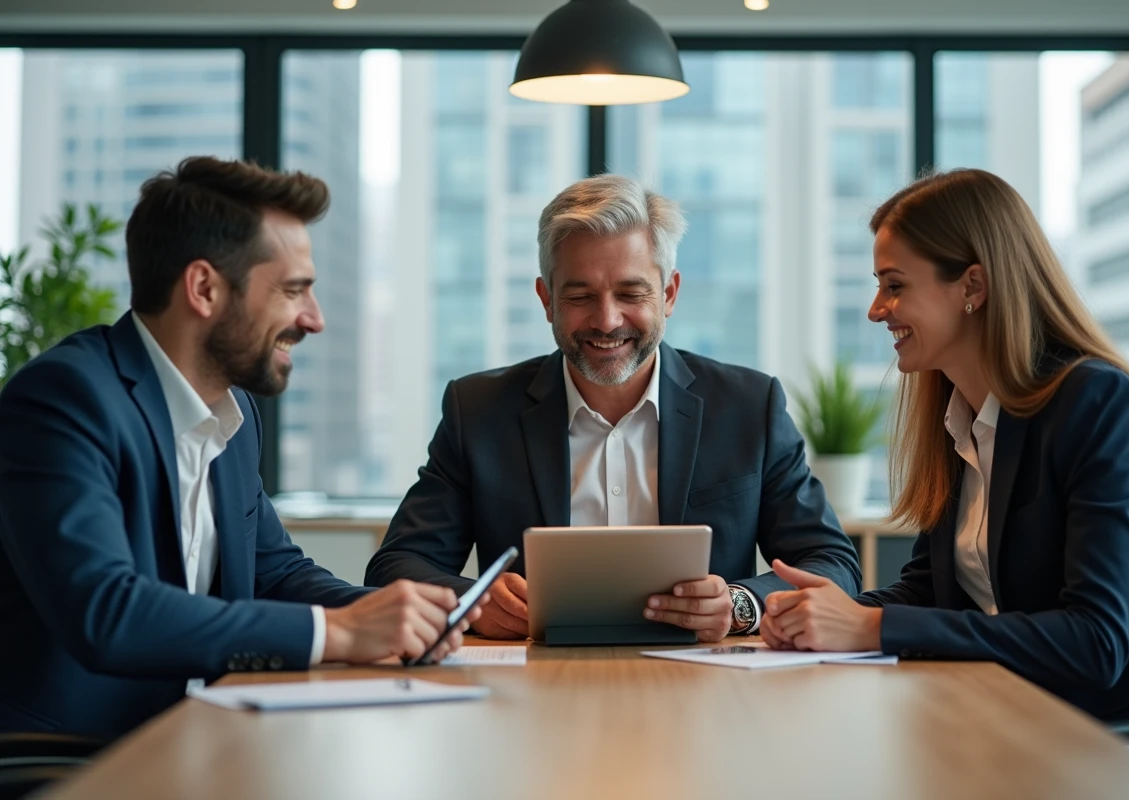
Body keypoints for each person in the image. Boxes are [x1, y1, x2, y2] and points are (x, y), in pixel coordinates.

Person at [0, 157, 481, 737]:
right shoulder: (64, 400)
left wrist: (393, 615)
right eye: (293, 291)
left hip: (200, 733)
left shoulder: (235, 414)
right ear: (204, 288)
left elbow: (273, 574)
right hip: (74, 755)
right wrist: (340, 632)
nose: (314, 319)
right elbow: (107, 611)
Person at [760, 168, 1129, 722]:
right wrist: (822, 613)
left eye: (895, 286)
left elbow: (1095, 641)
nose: (876, 309)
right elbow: (930, 590)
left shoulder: (1094, 403)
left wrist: (870, 626)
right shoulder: (959, 416)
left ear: (972, 286)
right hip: (1020, 713)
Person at [366, 174, 860, 643]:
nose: (606, 320)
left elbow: (832, 563)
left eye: (630, 293)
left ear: (668, 294)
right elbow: (396, 565)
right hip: (534, 682)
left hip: (704, 683)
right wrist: (473, 600)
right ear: (546, 300)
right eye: (580, 295)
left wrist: (739, 605)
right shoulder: (477, 412)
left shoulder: (748, 406)